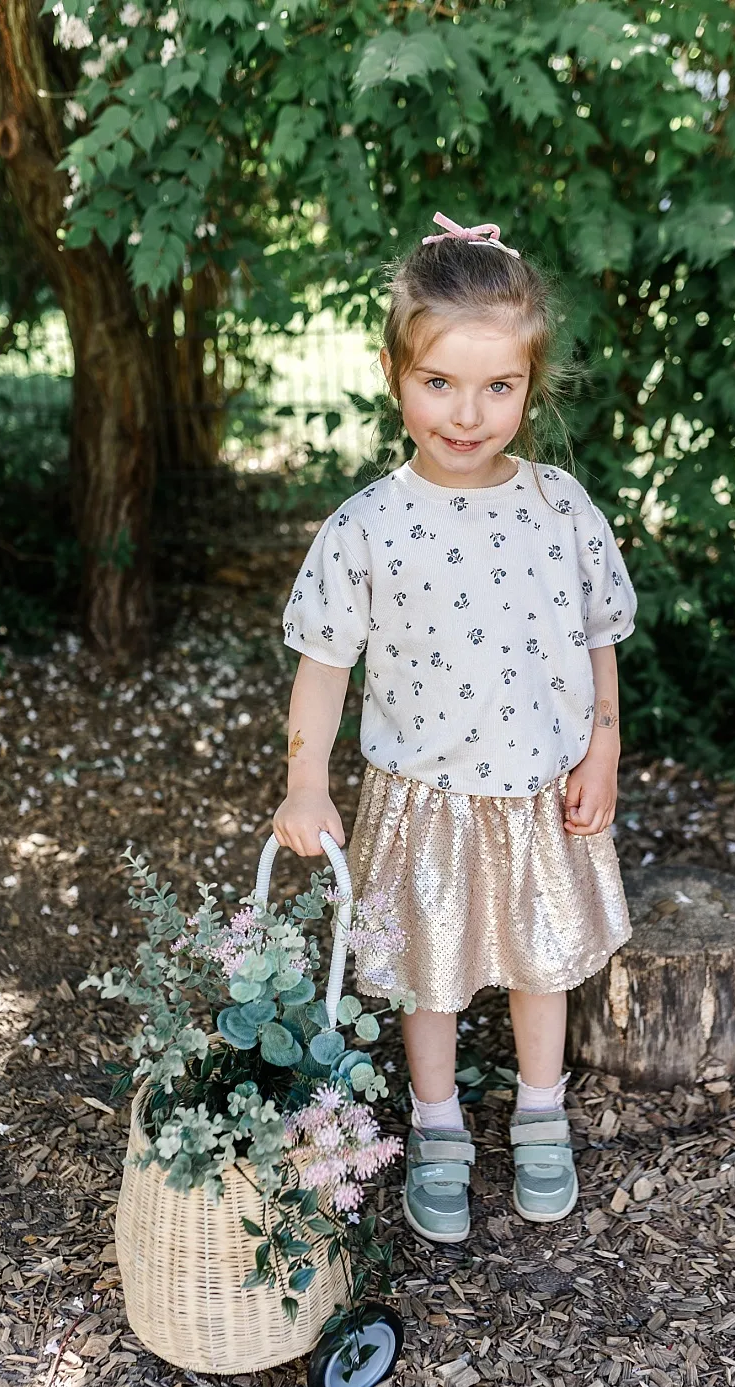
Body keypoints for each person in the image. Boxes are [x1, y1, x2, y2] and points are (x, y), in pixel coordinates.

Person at [273, 211, 638, 1243]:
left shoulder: (562, 508)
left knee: (540, 963)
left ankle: (539, 1111)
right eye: (440, 382)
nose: (469, 413)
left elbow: (600, 634)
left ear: (531, 385)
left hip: (536, 789)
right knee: (428, 972)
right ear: (397, 374)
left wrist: (603, 742)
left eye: (499, 387)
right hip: (422, 793)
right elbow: (323, 668)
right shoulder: (367, 528)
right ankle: (437, 1125)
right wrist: (307, 783)